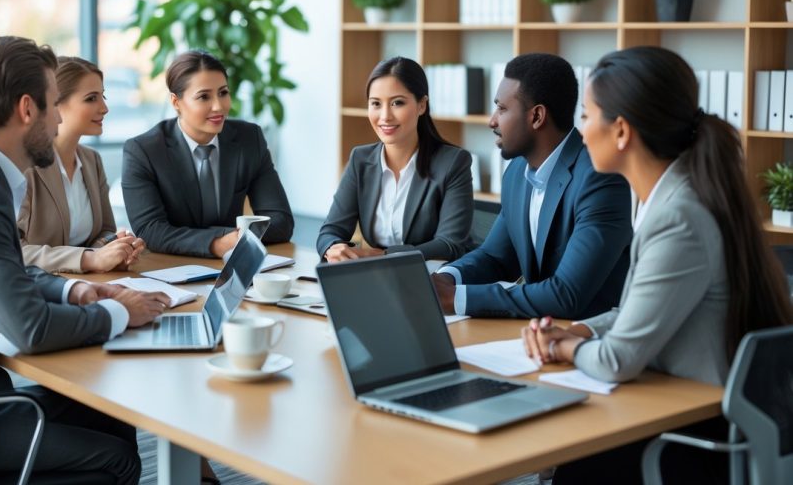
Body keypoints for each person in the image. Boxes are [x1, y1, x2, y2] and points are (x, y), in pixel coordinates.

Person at [0, 36, 171, 484]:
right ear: (28, 109)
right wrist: (122, 309)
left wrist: (75, 288)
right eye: (52, 104)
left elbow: (7, 269)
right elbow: (33, 329)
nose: (60, 116)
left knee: (110, 413)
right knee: (118, 459)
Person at [521, 46, 793, 484]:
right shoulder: (668, 195)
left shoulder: (678, 216)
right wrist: (579, 330)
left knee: (572, 463)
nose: (582, 130)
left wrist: (559, 348)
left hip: (695, 439)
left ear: (622, 131)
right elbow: (642, 308)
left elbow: (616, 361)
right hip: (684, 409)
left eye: (587, 116)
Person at [431, 53, 633, 319]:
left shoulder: (600, 179)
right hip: (540, 337)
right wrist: (444, 279)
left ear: (537, 116)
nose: (492, 121)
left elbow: (566, 294)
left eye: (502, 109)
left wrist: (455, 299)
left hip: (590, 340)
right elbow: (496, 258)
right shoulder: (516, 172)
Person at [123, 50, 294, 258]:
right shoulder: (144, 151)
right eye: (204, 96)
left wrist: (230, 239)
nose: (218, 106)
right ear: (176, 102)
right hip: (170, 266)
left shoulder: (249, 139)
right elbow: (150, 231)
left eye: (223, 93)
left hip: (231, 265)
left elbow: (281, 221)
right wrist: (217, 243)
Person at [317, 56, 473, 261]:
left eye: (397, 103)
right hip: (374, 276)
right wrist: (333, 247)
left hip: (432, 279)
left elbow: (449, 244)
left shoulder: (453, 162)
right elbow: (330, 231)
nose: (385, 116)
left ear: (421, 105)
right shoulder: (360, 160)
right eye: (375, 104)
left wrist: (382, 255)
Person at [18, 56, 145, 273]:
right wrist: (88, 259)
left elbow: (103, 232)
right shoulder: (24, 166)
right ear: (55, 103)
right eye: (91, 98)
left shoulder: (91, 160)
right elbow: (14, 250)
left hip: (89, 284)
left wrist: (117, 248)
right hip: (40, 289)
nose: (104, 108)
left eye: (102, 96)